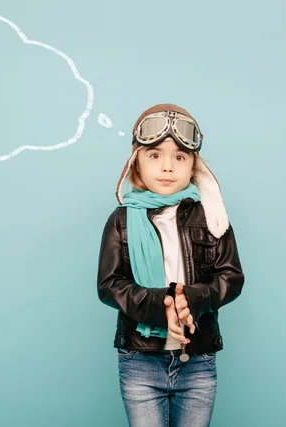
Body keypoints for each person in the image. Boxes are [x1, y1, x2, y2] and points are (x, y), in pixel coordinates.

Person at [97, 103, 245, 427]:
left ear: (194, 165)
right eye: (155, 156)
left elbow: (231, 277)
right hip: (140, 361)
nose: (167, 167)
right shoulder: (120, 222)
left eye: (179, 157)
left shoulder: (212, 217)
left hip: (198, 360)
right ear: (136, 162)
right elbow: (109, 285)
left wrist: (191, 299)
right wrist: (161, 303)